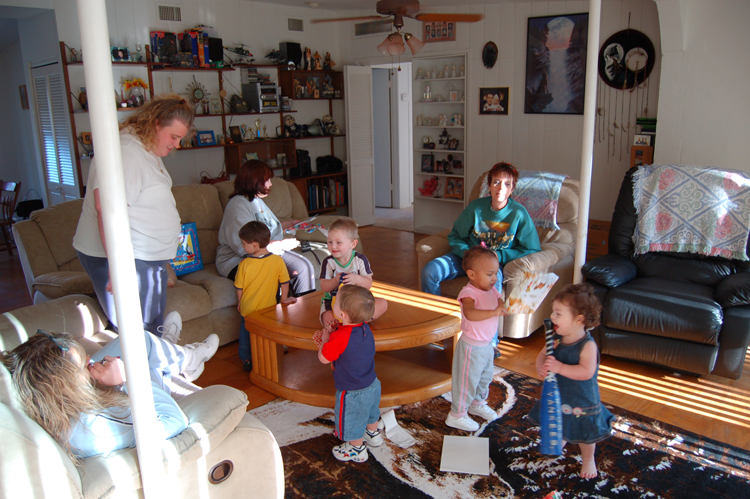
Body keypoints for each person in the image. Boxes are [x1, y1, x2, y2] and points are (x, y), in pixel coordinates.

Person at [72, 94, 195, 335]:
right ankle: (169, 364)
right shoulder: (127, 152)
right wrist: (118, 267)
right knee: (138, 329)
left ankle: (166, 364)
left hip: (144, 256)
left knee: (151, 325)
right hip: (126, 256)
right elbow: (106, 210)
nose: (177, 145)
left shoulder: (145, 146)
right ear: (156, 123)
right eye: (174, 137)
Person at [0, 326, 219, 460]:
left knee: (139, 339)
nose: (90, 361)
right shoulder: (94, 429)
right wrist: (128, 380)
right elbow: (175, 421)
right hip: (127, 400)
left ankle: (178, 357)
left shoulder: (36, 383)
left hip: (84, 395)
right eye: (82, 365)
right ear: (64, 383)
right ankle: (180, 359)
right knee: (141, 355)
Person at [420, 162, 541, 355]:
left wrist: (501, 255)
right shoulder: (476, 208)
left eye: (507, 184)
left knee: (495, 282)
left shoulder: (518, 213)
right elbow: (455, 235)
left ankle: (491, 343)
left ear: (512, 188)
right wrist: (467, 253)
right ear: (489, 185)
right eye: (497, 182)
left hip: (492, 265)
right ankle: (437, 326)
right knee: (430, 271)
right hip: (465, 258)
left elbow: (531, 247)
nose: (501, 188)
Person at [528, 283, 614, 479]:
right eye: (553, 311)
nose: (552, 317)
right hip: (559, 394)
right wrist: (541, 366)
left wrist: (559, 368)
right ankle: (564, 438)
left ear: (579, 319)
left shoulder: (587, 346)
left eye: (558, 313)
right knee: (561, 419)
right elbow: (542, 355)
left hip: (581, 398)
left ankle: (588, 458)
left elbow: (586, 372)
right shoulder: (555, 337)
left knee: (585, 431)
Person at [216, 160, 315, 297]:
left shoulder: (256, 201)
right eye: (267, 180)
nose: (270, 184)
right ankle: (280, 316)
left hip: (266, 252)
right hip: (238, 260)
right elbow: (248, 246)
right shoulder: (237, 206)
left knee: (303, 267)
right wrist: (280, 244)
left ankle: (304, 312)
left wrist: (288, 224)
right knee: (274, 274)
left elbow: (265, 227)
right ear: (254, 181)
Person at [317, 285, 382, 463]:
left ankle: (356, 448)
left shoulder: (339, 337)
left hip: (352, 391)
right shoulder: (365, 328)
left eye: (336, 303)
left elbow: (324, 358)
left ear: (343, 314)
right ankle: (373, 434)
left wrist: (324, 340)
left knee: (351, 419)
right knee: (370, 411)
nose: (334, 304)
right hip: (372, 383)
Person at [445, 245, 508, 432]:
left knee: (485, 377)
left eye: (496, 273)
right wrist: (494, 311)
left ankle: (477, 403)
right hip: (471, 348)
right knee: (467, 382)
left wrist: (507, 304)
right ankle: (456, 415)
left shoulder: (492, 290)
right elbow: (471, 314)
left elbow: (500, 300)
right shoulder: (469, 293)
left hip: (487, 346)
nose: (494, 278)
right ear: (472, 274)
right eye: (490, 274)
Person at [235, 221, 297, 372]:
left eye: (244, 244)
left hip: (248, 310)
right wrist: (283, 299)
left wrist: (240, 302)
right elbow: (284, 281)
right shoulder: (277, 260)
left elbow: (239, 287)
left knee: (246, 336)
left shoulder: (244, 264)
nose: (243, 246)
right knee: (268, 332)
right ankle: (271, 355)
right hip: (269, 309)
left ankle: (248, 360)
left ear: (254, 245)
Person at [318, 217, 387, 328]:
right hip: (334, 303)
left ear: (353, 244)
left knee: (382, 304)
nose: (333, 246)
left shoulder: (360, 260)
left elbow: (368, 283)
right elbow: (324, 287)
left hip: (357, 301)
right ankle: (352, 323)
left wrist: (357, 279)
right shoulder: (328, 262)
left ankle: (353, 322)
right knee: (328, 318)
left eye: (338, 242)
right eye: (330, 242)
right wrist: (335, 280)